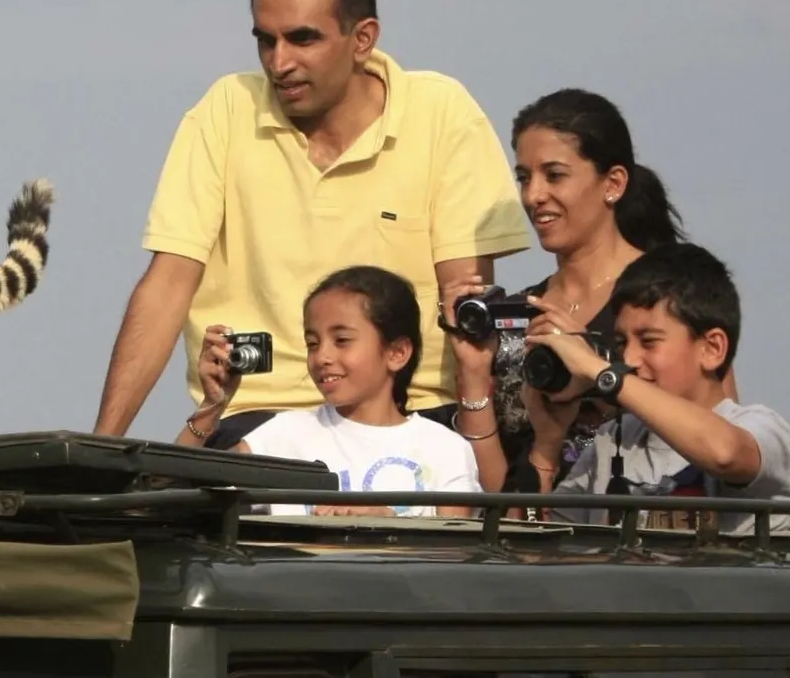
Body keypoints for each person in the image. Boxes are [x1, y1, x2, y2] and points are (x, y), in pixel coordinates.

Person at [93, 0, 531, 450]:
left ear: (363, 38)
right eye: (265, 39)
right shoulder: (225, 109)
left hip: (413, 416)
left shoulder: (441, 113)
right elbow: (168, 285)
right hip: (256, 418)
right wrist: (101, 448)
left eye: (302, 39)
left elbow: (466, 300)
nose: (279, 63)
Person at [437, 89, 685, 493]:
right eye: (524, 177)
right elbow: (495, 493)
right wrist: (473, 372)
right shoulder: (514, 314)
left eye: (554, 175)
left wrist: (598, 373)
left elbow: (718, 431)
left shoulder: (672, 291)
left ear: (614, 183)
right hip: (532, 544)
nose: (534, 196)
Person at [520, 242, 790, 534]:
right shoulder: (613, 440)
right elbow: (537, 553)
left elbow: (725, 454)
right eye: (622, 343)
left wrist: (600, 372)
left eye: (649, 341)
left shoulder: (761, 428)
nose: (630, 359)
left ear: (712, 349)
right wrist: (547, 443)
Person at [180, 265, 481, 517]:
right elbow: (173, 495)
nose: (322, 357)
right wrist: (211, 406)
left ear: (397, 353)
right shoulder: (284, 434)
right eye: (313, 343)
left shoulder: (445, 448)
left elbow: (455, 556)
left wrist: (390, 524)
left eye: (342, 340)